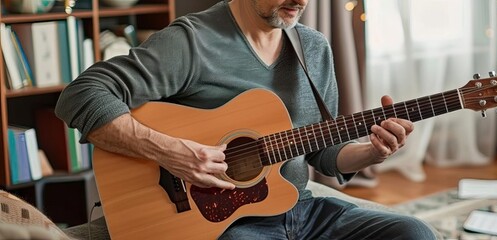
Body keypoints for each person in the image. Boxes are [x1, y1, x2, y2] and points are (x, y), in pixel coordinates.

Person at [55, 0, 436, 239]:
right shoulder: (192, 42)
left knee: (414, 232)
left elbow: (324, 152)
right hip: (228, 224)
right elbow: (81, 95)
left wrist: (371, 152)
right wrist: (173, 151)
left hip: (301, 210)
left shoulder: (314, 48)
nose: (300, 1)